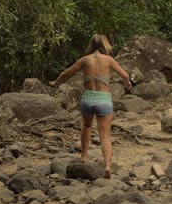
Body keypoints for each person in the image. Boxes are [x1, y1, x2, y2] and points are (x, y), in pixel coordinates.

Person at [49, 34, 131, 178]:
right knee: (105, 135)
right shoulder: (108, 60)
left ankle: (84, 156)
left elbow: (66, 73)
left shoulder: (85, 60)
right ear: (105, 45)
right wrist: (127, 84)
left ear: (91, 45)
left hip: (87, 99)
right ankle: (107, 166)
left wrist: (55, 83)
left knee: (87, 126)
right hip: (103, 99)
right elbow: (125, 75)